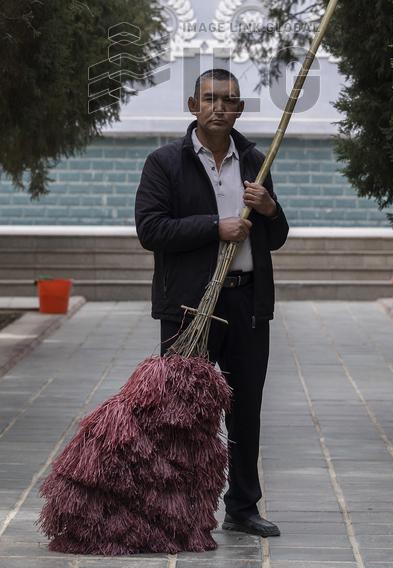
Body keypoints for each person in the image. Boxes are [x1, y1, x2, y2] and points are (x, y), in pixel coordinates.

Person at [134, 68, 289, 538]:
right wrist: (214, 226)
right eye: (209, 98)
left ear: (240, 109)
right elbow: (151, 230)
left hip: (245, 304)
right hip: (189, 307)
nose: (219, 107)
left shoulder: (255, 161)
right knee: (184, 409)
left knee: (245, 407)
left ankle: (242, 506)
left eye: (229, 100)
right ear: (192, 105)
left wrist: (268, 210)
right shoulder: (165, 162)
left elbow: (276, 238)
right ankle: (180, 510)